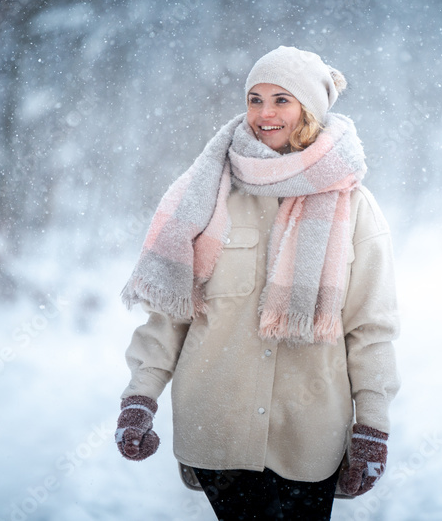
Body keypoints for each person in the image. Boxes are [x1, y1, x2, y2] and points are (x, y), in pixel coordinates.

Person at [116, 46, 400, 520]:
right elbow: (171, 313)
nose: (265, 113)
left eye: (281, 100)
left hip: (308, 437)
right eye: (255, 98)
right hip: (217, 430)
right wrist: (140, 396)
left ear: (309, 109)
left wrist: (372, 425)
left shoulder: (355, 207)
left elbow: (371, 327)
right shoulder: (210, 194)